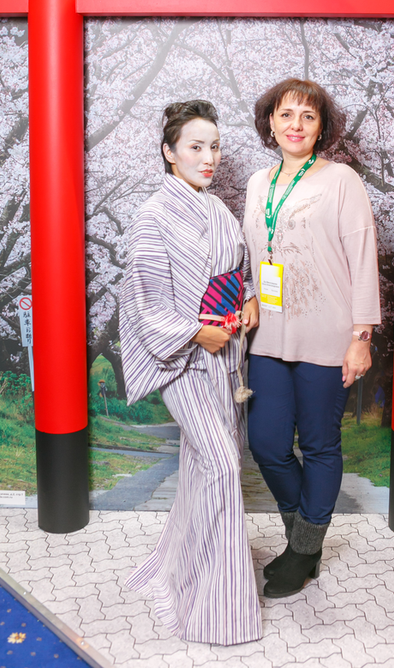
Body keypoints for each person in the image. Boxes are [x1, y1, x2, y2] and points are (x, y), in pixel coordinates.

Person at [120, 100, 262, 645]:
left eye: (215, 147)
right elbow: (144, 301)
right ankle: (215, 611)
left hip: (227, 357)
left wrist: (247, 300)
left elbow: (238, 270)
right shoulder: (152, 215)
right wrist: (195, 332)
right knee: (222, 466)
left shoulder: (218, 209)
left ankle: (189, 571)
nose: (209, 158)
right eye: (196, 147)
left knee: (208, 468)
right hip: (185, 360)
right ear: (169, 152)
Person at [243, 78, 381, 598]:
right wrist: (249, 294)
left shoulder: (341, 179)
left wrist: (361, 335)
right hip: (269, 335)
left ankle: (301, 553)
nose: (295, 125)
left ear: (321, 127)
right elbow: (252, 251)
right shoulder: (258, 183)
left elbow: (363, 258)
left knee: (321, 445)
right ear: (271, 122)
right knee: (267, 443)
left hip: (328, 333)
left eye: (308, 116)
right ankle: (305, 540)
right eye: (286, 114)